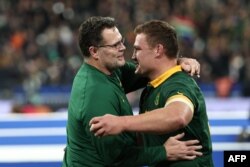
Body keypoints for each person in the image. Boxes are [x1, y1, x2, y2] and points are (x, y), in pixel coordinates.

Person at [62, 16, 202, 167]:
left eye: (121, 41)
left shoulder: (110, 70)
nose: (123, 48)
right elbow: (116, 158)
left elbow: (150, 69)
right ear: (94, 52)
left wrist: (177, 61)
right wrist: (163, 152)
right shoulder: (95, 95)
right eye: (115, 45)